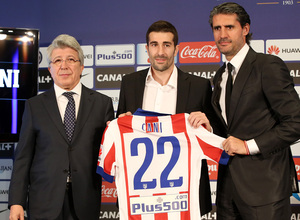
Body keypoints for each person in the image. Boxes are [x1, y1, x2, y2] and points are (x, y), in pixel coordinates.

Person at [117, 20, 218, 215]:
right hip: (140, 192)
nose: (160, 52)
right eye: (154, 45)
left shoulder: (199, 86)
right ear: (147, 49)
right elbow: (121, 133)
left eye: (167, 45)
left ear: (177, 49)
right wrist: (121, 122)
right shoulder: (129, 83)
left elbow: (215, 138)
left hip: (185, 193)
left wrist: (209, 127)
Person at [209, 2, 300, 219]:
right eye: (217, 28)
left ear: (246, 29)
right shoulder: (220, 75)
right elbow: (230, 127)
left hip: (265, 191)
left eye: (229, 27)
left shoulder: (267, 65)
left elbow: (296, 122)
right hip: (227, 191)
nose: (222, 34)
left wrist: (248, 146)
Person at [8, 34, 114, 220]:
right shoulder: (35, 106)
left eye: (70, 60)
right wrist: (16, 202)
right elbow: (23, 158)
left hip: (85, 201)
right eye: (57, 60)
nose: (63, 65)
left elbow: (110, 154)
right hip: (44, 201)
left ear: (81, 66)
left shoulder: (102, 104)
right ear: (50, 69)